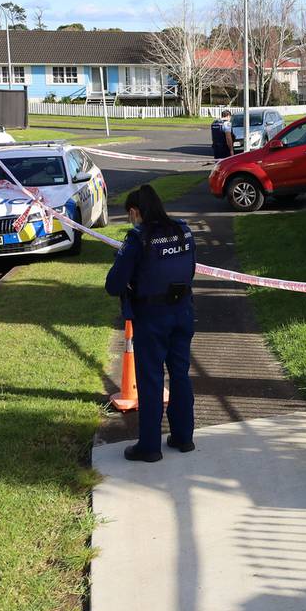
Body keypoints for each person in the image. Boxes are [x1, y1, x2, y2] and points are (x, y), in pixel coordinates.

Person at [106, 184, 197, 462]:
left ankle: (149, 447)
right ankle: (184, 438)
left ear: (135, 211)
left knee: (150, 380)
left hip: (152, 316)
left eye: (130, 214)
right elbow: (191, 269)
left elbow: (114, 284)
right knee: (180, 374)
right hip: (183, 311)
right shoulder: (183, 230)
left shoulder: (138, 239)